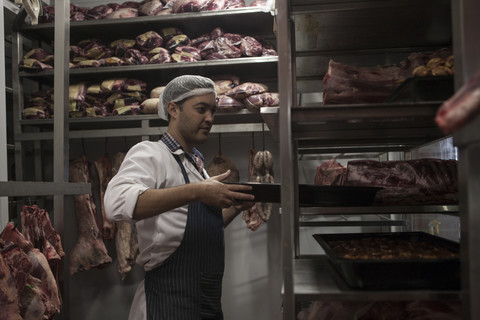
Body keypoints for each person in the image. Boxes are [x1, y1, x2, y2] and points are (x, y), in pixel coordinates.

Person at [104, 75, 255, 320]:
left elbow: (190, 226)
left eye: (212, 111)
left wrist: (236, 207)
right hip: (167, 302)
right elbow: (115, 203)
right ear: (173, 109)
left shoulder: (196, 165)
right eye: (201, 109)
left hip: (205, 302)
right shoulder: (151, 153)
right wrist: (198, 191)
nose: (209, 119)